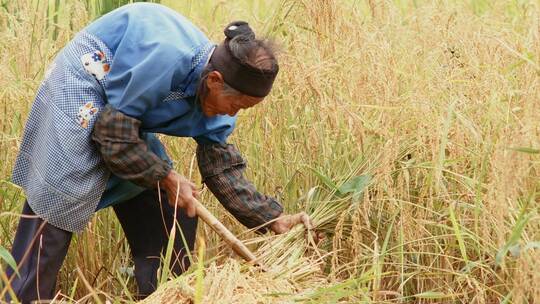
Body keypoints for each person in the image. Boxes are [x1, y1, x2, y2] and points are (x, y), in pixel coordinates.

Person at [3, 3, 314, 302]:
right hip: (87, 79)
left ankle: (165, 296)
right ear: (215, 81)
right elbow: (113, 134)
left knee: (173, 207)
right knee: (63, 195)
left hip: (122, 114)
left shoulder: (219, 94)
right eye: (237, 105)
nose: (234, 113)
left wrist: (270, 218)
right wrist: (166, 175)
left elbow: (221, 167)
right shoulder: (164, 58)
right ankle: (22, 295)